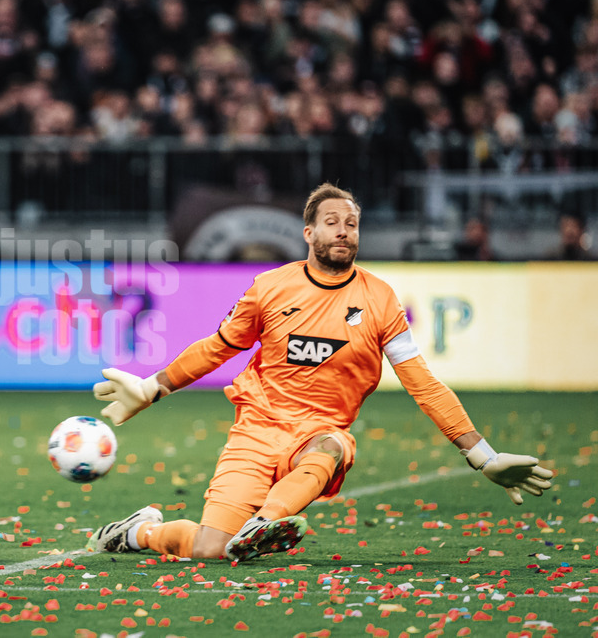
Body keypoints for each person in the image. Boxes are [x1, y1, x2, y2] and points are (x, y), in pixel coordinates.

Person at [88, 183, 553, 562]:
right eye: (332, 223)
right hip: (257, 429)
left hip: (318, 432)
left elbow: (423, 383)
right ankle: (139, 533)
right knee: (212, 549)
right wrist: (153, 386)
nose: (344, 232)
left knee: (332, 446)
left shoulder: (381, 300)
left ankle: (266, 522)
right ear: (309, 233)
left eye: (352, 224)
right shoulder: (269, 288)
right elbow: (218, 348)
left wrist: (483, 455)